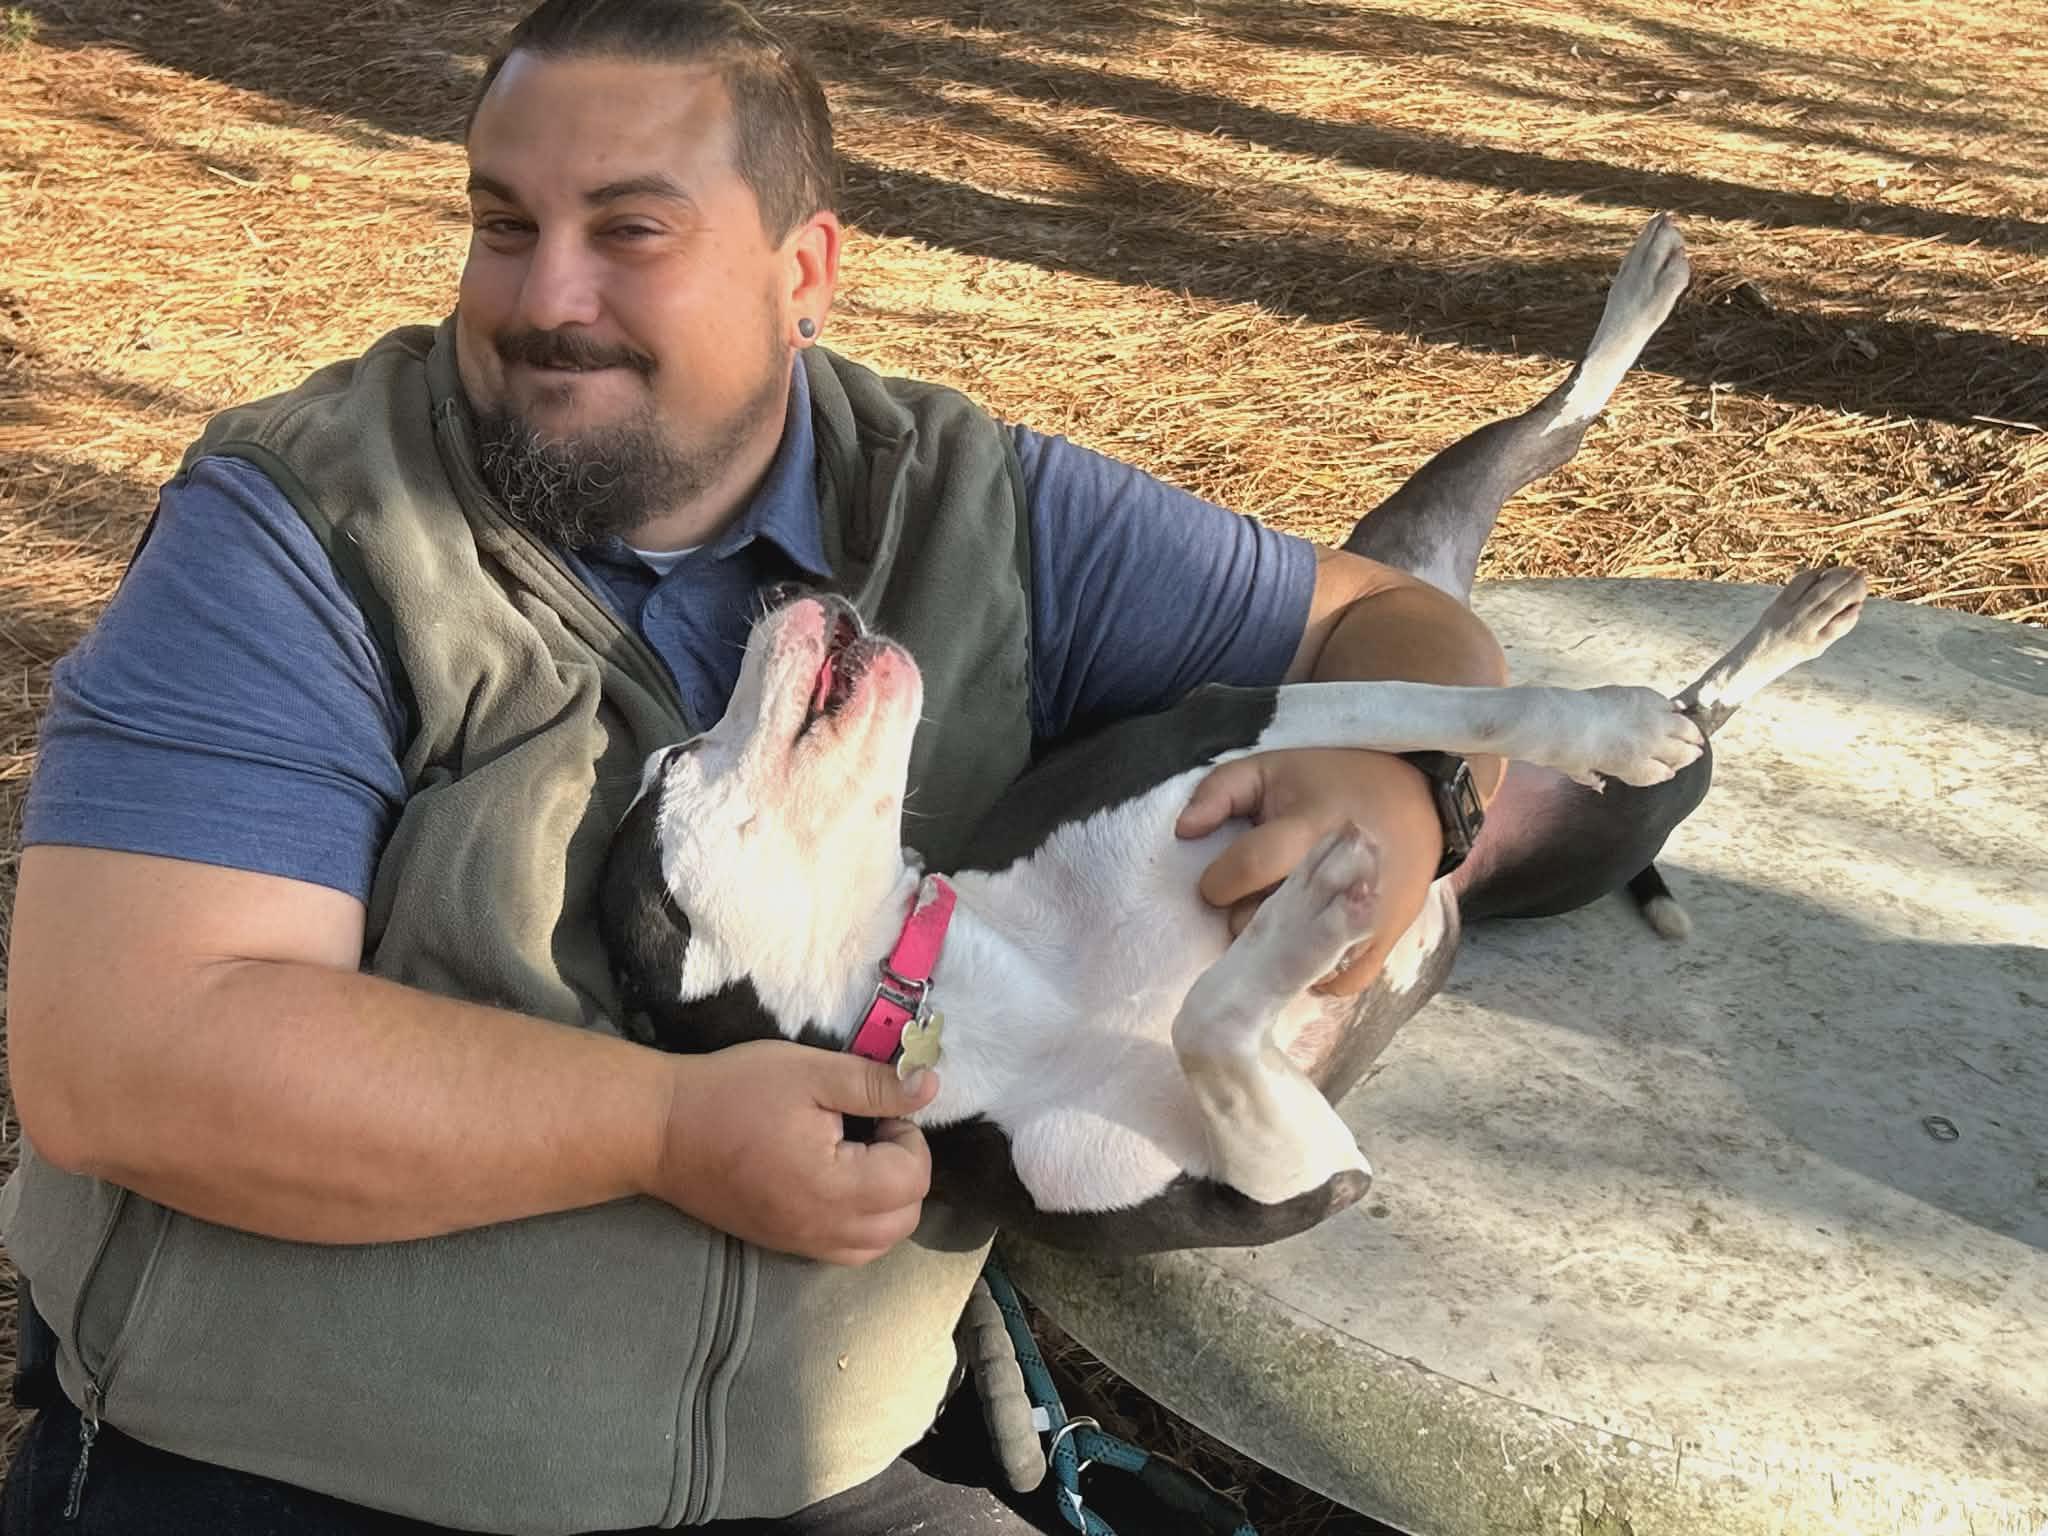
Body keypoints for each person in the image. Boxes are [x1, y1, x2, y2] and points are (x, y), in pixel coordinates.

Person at [0, 0, 1506, 1530]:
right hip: (292, 1470)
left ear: (805, 275)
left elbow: (1393, 618)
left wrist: (1401, 778)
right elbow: (129, 1058)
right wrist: (660, 1134)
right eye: (503, 224)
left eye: (629, 230)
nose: (544, 298)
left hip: (825, 1482)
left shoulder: (976, 506)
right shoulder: (308, 527)